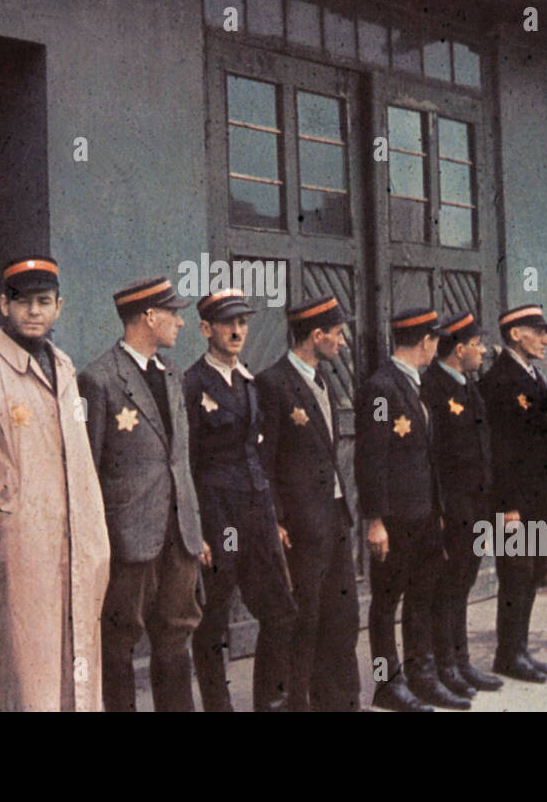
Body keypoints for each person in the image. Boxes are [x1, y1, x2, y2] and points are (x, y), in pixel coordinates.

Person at [0, 255, 110, 711]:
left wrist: (95, 539)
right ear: (3, 304)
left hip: (75, 545)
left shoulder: (65, 367)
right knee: (21, 677)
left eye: (43, 301)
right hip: (17, 550)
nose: (33, 312)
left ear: (59, 306)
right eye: (22, 302)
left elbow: (78, 460)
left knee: (74, 670)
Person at [78, 276, 207, 712]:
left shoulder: (172, 375)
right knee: (118, 640)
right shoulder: (99, 379)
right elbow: (88, 471)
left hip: (179, 534)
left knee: (176, 633)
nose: (181, 323)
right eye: (174, 313)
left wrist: (195, 526)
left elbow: (180, 461)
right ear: (149, 317)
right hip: (129, 538)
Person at [184, 289, 296, 711]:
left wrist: (274, 517)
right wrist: (197, 530)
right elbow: (188, 463)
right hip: (219, 518)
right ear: (205, 329)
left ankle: (269, 702)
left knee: (280, 610)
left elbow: (260, 455)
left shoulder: (248, 380)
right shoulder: (193, 383)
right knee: (213, 620)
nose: (236, 331)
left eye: (243, 323)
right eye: (228, 323)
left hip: (255, 512)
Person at [356, 307, 468, 711]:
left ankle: (421, 676)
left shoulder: (415, 385)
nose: (436, 347)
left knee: (421, 597)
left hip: (423, 516)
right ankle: (388, 684)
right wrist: (374, 520)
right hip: (395, 520)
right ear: (425, 341)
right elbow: (371, 456)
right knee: (386, 604)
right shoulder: (382, 389)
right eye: (435, 340)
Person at [256, 295, 360, 712]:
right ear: (315, 336)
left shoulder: (322, 380)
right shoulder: (272, 384)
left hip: (334, 521)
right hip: (299, 528)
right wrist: (276, 521)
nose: (342, 343)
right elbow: (264, 462)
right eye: (336, 335)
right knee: (302, 622)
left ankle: (338, 703)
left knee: (343, 617)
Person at [479, 304, 547, 684]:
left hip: (540, 501)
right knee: (516, 574)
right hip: (516, 506)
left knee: (534, 573)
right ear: (515, 334)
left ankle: (520, 649)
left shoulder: (534, 377)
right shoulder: (499, 382)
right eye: (538, 331)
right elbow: (500, 451)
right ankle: (507, 654)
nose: (546, 340)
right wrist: (507, 506)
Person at [422, 310, 504, 699]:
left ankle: (462, 661)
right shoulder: (433, 388)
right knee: (447, 588)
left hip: (475, 508)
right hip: (452, 509)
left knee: (463, 584)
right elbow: (433, 457)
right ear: (458, 350)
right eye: (477, 345)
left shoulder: (470, 387)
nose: (483, 351)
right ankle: (445, 666)